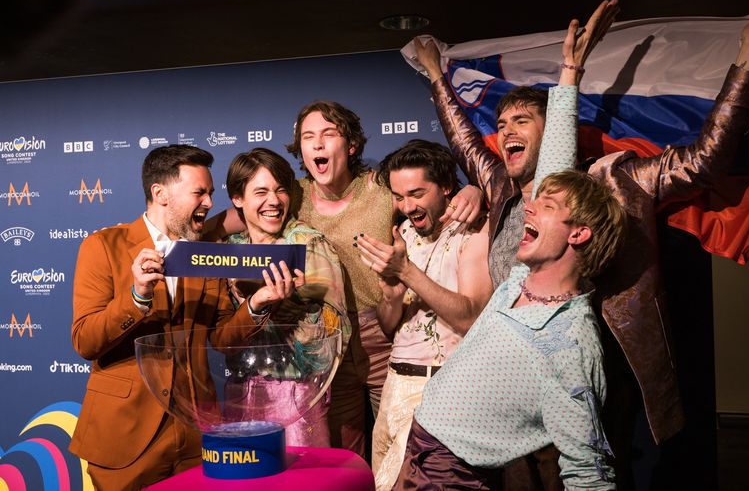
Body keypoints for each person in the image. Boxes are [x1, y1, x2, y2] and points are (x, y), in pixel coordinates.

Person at [414, 7, 749, 487]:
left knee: (590, 472)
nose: (505, 131)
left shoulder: (613, 182)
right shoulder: (500, 189)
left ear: (551, 134)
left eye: (521, 120)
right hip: (510, 394)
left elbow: (705, 162)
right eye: (501, 124)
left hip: (586, 373)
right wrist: (433, 75)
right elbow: (462, 138)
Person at [207, 102, 483, 458]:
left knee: (399, 446)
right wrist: (188, 238)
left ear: (350, 145)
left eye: (329, 134)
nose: (318, 144)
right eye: (309, 137)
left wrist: (472, 190)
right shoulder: (293, 192)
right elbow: (234, 216)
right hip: (324, 343)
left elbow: (427, 196)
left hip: (383, 335)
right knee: (341, 454)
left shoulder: (381, 189)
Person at [70, 144, 298, 490]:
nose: (208, 202)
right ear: (160, 194)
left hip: (193, 432)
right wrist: (136, 298)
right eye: (199, 193)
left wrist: (258, 303)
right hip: (124, 437)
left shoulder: (205, 254)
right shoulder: (102, 246)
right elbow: (85, 340)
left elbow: (222, 338)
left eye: (209, 193)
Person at [393, 168, 627, 490]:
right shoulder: (518, 281)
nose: (528, 206)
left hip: (448, 476)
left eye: (547, 206)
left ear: (578, 234)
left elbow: (588, 472)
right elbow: (552, 161)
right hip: (420, 450)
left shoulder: (570, 344)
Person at [354, 139, 493, 490]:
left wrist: (407, 272)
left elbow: (472, 317)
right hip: (393, 385)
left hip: (439, 389)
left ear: (446, 186)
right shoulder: (402, 234)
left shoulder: (474, 231)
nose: (407, 206)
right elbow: (390, 327)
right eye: (399, 197)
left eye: (416, 193)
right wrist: (391, 298)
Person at [221, 147, 349, 447]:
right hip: (240, 391)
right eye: (261, 192)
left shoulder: (307, 244)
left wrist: (294, 306)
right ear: (238, 198)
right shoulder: (229, 249)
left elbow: (338, 329)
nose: (274, 201)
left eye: (280, 190)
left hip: (295, 394)